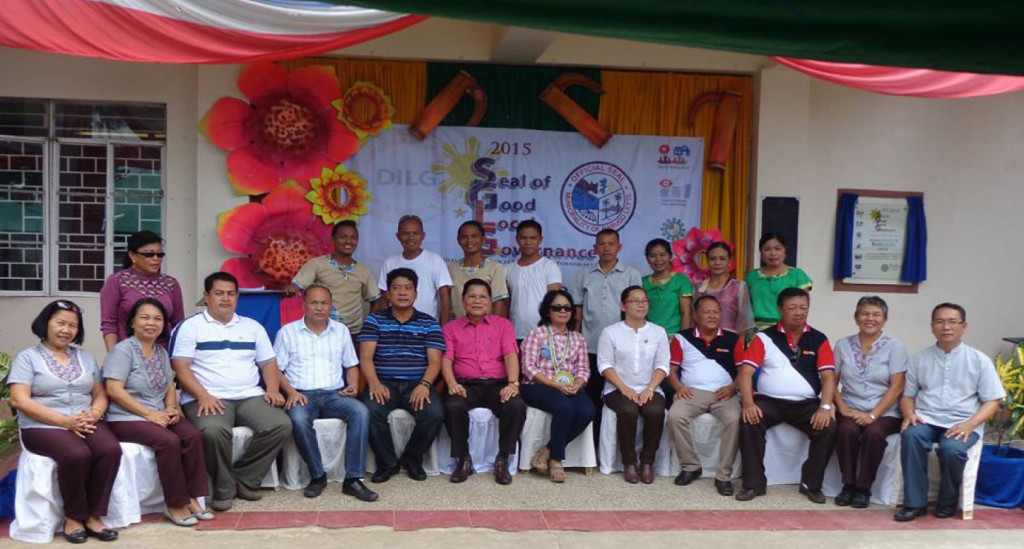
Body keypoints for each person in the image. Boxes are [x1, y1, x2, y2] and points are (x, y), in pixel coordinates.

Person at [170, 272, 293, 512]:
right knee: (213, 431)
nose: (225, 299)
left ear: (237, 297)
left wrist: (272, 389)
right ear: (206, 296)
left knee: (281, 425)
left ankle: (244, 479)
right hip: (207, 397)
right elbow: (180, 367)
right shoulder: (189, 327)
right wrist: (203, 395)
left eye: (231, 293)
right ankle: (224, 489)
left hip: (249, 395)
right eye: (219, 293)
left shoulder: (252, 327)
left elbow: (268, 362)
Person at [7, 300, 121, 543]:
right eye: (60, 323)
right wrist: (64, 422)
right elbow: (19, 400)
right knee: (76, 454)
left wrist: (95, 412)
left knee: (109, 449)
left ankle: (93, 515)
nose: (66, 330)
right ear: (45, 323)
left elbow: (99, 393)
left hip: (84, 419)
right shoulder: (28, 358)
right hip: (42, 425)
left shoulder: (86, 357)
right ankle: (73, 517)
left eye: (73, 325)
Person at [103, 298, 212, 526]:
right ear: (132, 322)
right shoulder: (123, 351)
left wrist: (171, 408)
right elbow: (114, 390)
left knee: (192, 435)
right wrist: (149, 414)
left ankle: (193, 496)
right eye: (144, 317)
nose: (151, 323)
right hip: (126, 417)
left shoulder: (160, 351)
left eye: (157, 318)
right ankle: (175, 503)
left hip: (158, 413)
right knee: (169, 441)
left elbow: (170, 385)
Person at [894, 303, 1005, 522]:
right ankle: (915, 504)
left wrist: (970, 424)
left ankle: (947, 503)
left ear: (964, 327)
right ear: (932, 326)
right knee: (911, 436)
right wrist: (909, 413)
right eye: (940, 321)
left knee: (951, 448)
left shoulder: (979, 360)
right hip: (927, 418)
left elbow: (993, 400)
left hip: (963, 422)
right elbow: (907, 395)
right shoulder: (919, 359)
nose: (946, 327)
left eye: (952, 322)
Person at [274, 285, 378, 501]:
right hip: (302, 394)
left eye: (324, 303)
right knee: (298, 418)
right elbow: (276, 369)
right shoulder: (287, 332)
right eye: (314, 303)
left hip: (334, 394)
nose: (319, 308)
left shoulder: (341, 331)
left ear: (331, 306)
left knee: (360, 412)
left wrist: (352, 385)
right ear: (304, 305)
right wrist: (291, 392)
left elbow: (351, 365)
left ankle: (353, 479)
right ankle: (318, 475)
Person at [735, 287, 838, 503]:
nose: (799, 312)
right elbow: (746, 372)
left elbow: (828, 377)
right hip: (769, 402)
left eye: (803, 307)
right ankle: (753, 484)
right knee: (748, 422)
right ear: (780, 310)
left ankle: (812, 484)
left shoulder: (819, 339)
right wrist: (747, 403)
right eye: (792, 307)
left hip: (806, 405)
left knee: (828, 427)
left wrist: (825, 407)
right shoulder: (764, 337)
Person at [359, 268, 446, 483]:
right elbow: (366, 357)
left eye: (408, 288)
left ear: (416, 293)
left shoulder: (429, 323)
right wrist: (374, 384)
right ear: (387, 293)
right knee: (369, 411)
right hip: (383, 383)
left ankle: (412, 458)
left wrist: (425, 384)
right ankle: (387, 462)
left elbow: (435, 361)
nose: (402, 293)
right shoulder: (374, 320)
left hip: (417, 383)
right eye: (396, 288)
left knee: (434, 413)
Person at [441, 279, 526, 485]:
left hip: (497, 384)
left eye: (482, 297)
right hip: (465, 384)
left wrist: (513, 384)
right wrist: (452, 384)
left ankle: (502, 460)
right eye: (472, 296)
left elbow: (510, 356)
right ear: (462, 301)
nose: (477, 301)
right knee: (453, 405)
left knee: (516, 405)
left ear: (489, 302)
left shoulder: (503, 325)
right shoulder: (451, 328)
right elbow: (446, 360)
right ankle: (463, 459)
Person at [832, 296, 908, 508]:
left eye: (876, 314)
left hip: (886, 411)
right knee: (846, 430)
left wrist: (873, 415)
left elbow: (897, 387)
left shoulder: (895, 347)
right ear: (856, 318)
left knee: (874, 433)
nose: (870, 318)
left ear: (884, 320)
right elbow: (831, 381)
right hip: (851, 407)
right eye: (865, 313)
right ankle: (848, 485)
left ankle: (863, 488)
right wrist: (843, 408)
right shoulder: (842, 345)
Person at [666, 295, 743, 496]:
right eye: (707, 311)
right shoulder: (682, 338)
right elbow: (671, 370)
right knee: (675, 415)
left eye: (716, 311)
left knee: (734, 419)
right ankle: (690, 466)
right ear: (695, 315)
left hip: (724, 393)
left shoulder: (733, 338)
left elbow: (744, 371)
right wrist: (679, 388)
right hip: (692, 392)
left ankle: (723, 475)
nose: (712, 315)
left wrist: (733, 388)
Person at [597, 286, 670, 484]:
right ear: (623, 305)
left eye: (644, 301)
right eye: (635, 301)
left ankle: (647, 462)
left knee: (655, 411)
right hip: (617, 388)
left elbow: (663, 365)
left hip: (650, 387)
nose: (641, 304)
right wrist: (624, 388)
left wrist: (650, 389)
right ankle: (629, 462)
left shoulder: (658, 332)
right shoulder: (610, 332)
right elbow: (604, 365)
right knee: (628, 410)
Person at [574, 229, 642, 438]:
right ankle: (592, 445)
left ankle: (615, 447)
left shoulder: (631, 274)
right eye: (601, 244)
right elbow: (577, 311)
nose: (606, 248)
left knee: (619, 395)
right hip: (590, 345)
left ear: (619, 247)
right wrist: (577, 341)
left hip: (621, 348)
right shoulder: (584, 274)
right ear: (595, 248)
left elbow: (637, 310)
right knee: (592, 395)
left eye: (611, 244)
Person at [520, 289, 594, 483]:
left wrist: (577, 384)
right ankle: (556, 460)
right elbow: (528, 367)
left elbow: (584, 369)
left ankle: (547, 449)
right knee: (565, 407)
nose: (563, 311)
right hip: (538, 386)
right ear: (547, 311)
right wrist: (555, 385)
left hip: (568, 386)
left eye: (567, 307)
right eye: (557, 307)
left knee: (587, 410)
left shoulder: (577, 338)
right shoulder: (537, 335)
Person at [286, 220, 382, 338]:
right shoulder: (317, 264)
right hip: (323, 331)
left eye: (353, 238)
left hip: (353, 334)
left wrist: (368, 328)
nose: (348, 241)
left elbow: (376, 300)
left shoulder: (364, 270)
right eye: (343, 237)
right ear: (333, 239)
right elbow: (296, 286)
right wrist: (292, 289)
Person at [100, 230, 184, 351]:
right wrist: (113, 356)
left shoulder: (171, 284)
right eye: (149, 254)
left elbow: (178, 325)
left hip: (162, 354)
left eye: (159, 254)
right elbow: (109, 324)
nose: (156, 259)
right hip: (127, 353)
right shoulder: (116, 281)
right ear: (132, 255)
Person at [376, 215, 453, 324]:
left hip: (426, 327)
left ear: (423, 236)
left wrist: (443, 330)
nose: (410, 237)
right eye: (406, 233)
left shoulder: (435, 260)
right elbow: (384, 298)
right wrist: (385, 325)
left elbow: (445, 298)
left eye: (415, 233)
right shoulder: (389, 262)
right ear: (398, 236)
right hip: (395, 328)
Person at [505, 220, 562, 344]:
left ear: (540, 240)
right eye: (524, 238)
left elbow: (554, 301)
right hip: (514, 333)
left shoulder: (550, 266)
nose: (528, 242)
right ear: (517, 239)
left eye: (532, 238)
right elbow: (505, 303)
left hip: (544, 334)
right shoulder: (507, 269)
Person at [745, 233, 813, 331]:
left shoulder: (797, 275)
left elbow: (803, 305)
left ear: (784, 251)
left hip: (787, 329)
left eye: (777, 249)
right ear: (761, 252)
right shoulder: (752, 276)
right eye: (767, 249)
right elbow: (745, 307)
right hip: (756, 331)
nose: (773, 253)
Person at [448, 220, 510, 320]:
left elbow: (498, 302)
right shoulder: (452, 268)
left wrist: (493, 329)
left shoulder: (495, 268)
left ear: (483, 239)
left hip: (485, 329)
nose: (469, 240)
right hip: (458, 329)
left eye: (474, 236)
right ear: (458, 240)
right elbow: (448, 303)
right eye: (464, 237)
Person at [694, 241, 754, 334]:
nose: (717, 262)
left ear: (730, 261)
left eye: (722, 259)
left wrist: (742, 345)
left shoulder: (739, 287)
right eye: (713, 258)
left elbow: (745, 321)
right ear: (707, 261)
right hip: (703, 340)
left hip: (731, 340)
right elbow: (694, 319)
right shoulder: (698, 288)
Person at [642, 238, 693, 335]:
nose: (658, 260)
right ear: (647, 259)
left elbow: (686, 313)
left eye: (662, 255)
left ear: (670, 256)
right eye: (653, 256)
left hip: (674, 336)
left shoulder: (680, 280)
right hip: (649, 337)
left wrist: (682, 339)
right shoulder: (642, 283)